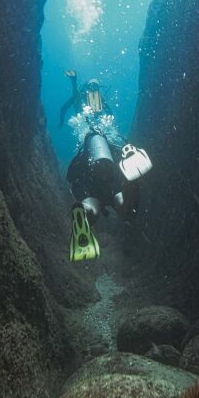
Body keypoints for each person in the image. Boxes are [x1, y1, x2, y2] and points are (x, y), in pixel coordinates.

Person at [59, 70, 152, 262]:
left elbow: (74, 104)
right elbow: (113, 135)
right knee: (126, 209)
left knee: (91, 204)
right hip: (110, 170)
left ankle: (83, 212)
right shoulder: (105, 108)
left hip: (87, 168)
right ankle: (130, 183)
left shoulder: (84, 110)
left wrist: (74, 83)